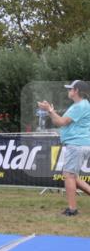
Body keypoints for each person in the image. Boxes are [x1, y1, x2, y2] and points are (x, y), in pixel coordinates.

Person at [38, 80, 90, 216]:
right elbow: (59, 122)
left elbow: (61, 121)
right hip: (78, 144)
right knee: (73, 177)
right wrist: (51, 111)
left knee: (69, 176)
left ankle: (72, 209)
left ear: (76, 91)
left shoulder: (80, 106)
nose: (68, 91)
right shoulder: (78, 105)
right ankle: (72, 208)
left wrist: (49, 110)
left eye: (70, 89)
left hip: (76, 144)